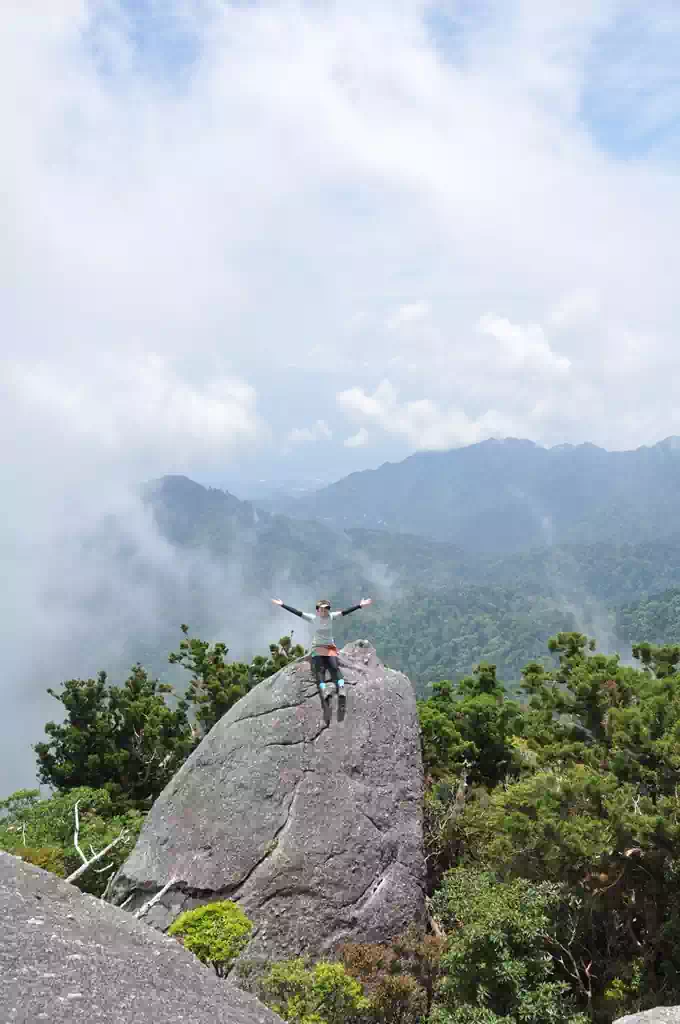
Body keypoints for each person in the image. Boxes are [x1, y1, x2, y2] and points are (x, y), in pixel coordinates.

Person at [271, 596, 372, 700]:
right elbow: (297, 612)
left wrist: (360, 606)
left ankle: (341, 687)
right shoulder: (313, 618)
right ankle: (323, 690)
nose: (324, 610)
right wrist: (282, 605)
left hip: (329, 647)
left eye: (326, 608)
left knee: (334, 667)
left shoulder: (331, 616)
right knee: (319, 670)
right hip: (317, 647)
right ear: (317, 610)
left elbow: (345, 612)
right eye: (322, 608)